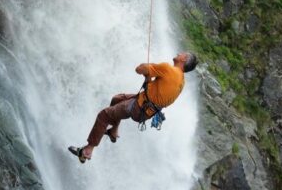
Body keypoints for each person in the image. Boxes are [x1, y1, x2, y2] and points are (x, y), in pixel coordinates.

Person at [68, 52, 198, 164]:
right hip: (146, 111)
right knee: (116, 99)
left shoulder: (168, 69)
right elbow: (160, 92)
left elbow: (139, 69)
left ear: (184, 59)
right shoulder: (181, 81)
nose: (178, 53)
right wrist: (149, 77)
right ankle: (114, 131)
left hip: (138, 106)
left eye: (182, 53)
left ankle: (87, 151)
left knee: (104, 115)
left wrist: (147, 68)